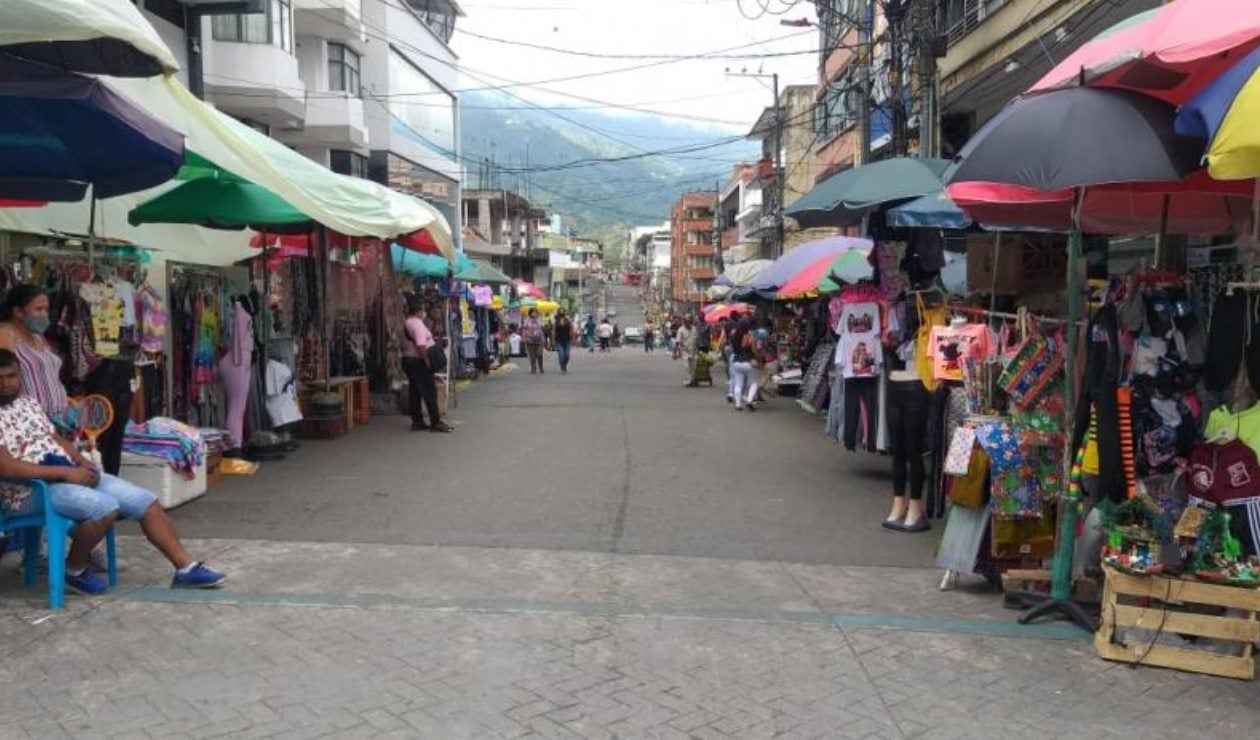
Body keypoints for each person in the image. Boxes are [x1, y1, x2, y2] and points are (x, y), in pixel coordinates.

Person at [0, 348, 226, 594]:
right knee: (104, 509)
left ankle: (186, 569)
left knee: (146, 502)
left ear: (20, 375)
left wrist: (79, 460)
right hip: (28, 491)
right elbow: (7, 467)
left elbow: (54, 438)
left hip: (66, 472)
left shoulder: (28, 404)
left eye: (11, 376)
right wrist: (64, 473)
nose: (5, 384)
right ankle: (73, 569)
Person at [0, 285, 70, 423]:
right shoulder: (4, 334)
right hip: (28, 422)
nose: (45, 314)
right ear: (18, 312)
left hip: (59, 419)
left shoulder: (38, 337)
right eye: (39, 309)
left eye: (46, 309)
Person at [401, 295, 452, 433]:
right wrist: (427, 360)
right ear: (418, 310)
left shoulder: (409, 322)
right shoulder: (416, 323)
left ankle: (417, 421)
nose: (424, 312)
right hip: (418, 361)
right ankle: (435, 422)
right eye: (422, 309)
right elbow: (421, 344)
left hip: (410, 360)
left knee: (415, 391)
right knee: (429, 390)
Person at [728, 318, 759, 411]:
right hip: (747, 362)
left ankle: (738, 404)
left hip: (736, 362)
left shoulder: (733, 336)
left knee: (738, 384)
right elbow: (754, 350)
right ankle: (749, 400)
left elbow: (731, 347)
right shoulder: (749, 336)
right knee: (754, 383)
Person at [677, 316, 698, 387]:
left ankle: (693, 380)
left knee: (694, 366)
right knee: (686, 366)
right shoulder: (681, 330)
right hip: (685, 350)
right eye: (687, 322)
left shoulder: (694, 329)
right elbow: (678, 341)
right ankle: (688, 381)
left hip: (693, 350)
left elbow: (696, 339)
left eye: (690, 322)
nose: (688, 323)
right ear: (684, 322)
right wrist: (675, 352)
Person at [522, 308, 545, 373]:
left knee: (539, 354)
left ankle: (541, 367)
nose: (534, 313)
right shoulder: (527, 320)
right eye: (533, 312)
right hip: (530, 340)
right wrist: (524, 338)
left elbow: (543, 327)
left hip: (539, 340)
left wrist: (538, 322)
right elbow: (524, 329)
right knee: (532, 355)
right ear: (530, 313)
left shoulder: (540, 319)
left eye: (535, 312)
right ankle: (533, 368)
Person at [553, 309, 574, 374]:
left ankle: (564, 364)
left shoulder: (568, 320)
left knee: (567, 355)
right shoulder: (556, 322)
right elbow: (554, 331)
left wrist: (572, 337)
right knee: (561, 355)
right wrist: (553, 340)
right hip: (559, 340)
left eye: (563, 312)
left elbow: (571, 329)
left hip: (567, 340)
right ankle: (563, 367)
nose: (562, 313)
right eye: (560, 312)